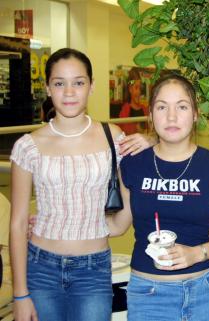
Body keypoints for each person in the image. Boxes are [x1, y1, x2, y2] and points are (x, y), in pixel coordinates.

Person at [106, 73, 209, 321]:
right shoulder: (133, 165)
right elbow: (117, 224)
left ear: (195, 114)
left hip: (203, 291)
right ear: (150, 115)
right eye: (162, 107)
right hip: (148, 293)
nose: (171, 116)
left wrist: (197, 253)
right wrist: (58, 223)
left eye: (182, 106)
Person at [10, 48, 125, 321]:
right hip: (41, 268)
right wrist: (20, 294)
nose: (69, 92)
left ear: (92, 86)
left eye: (79, 82)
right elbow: (17, 222)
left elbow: (138, 189)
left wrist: (149, 142)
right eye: (60, 83)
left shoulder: (114, 138)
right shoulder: (29, 146)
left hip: (93, 270)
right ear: (48, 88)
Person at [118, 67, 148, 135]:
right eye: (136, 88)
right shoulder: (125, 111)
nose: (139, 92)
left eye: (140, 88)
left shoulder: (145, 109)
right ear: (130, 89)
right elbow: (121, 133)